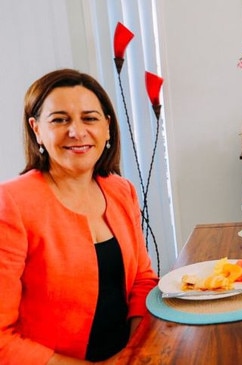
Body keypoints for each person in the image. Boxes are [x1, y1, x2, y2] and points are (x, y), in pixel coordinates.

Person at [0, 69, 159, 364]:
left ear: (108, 127)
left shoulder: (121, 190)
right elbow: (2, 339)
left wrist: (133, 353)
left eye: (90, 118)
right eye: (60, 119)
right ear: (36, 129)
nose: (76, 131)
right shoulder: (11, 203)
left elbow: (142, 280)